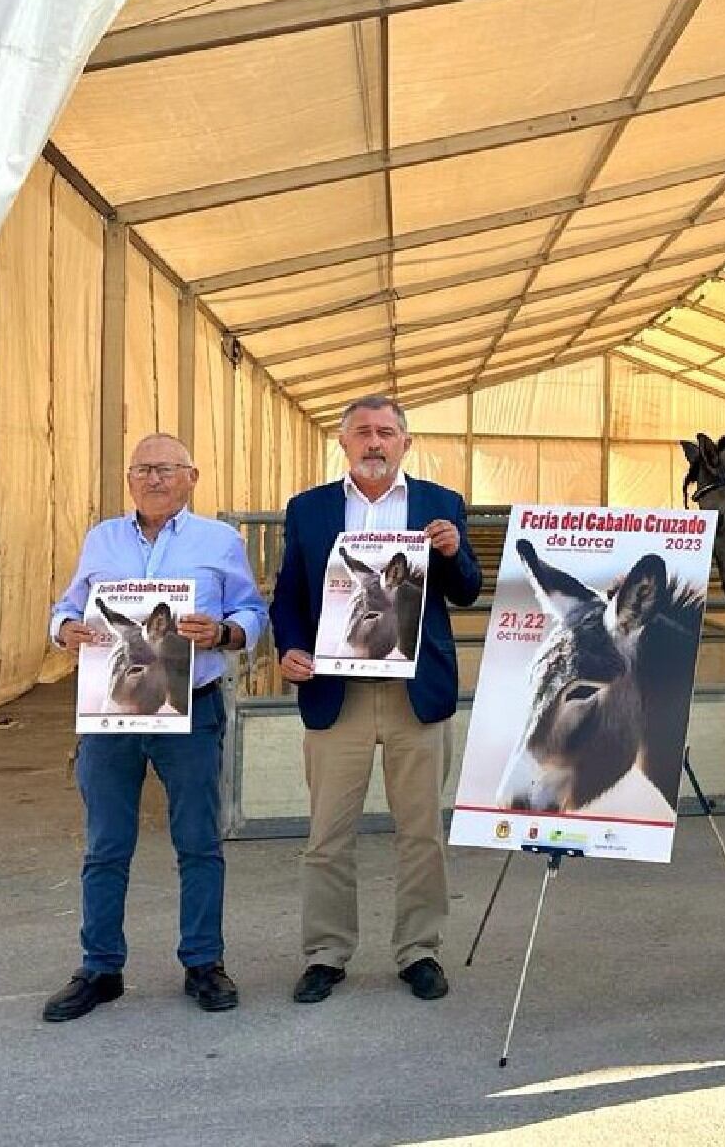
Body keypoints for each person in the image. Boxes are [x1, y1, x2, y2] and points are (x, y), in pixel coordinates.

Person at [44, 434, 267, 1021]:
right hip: (109, 715)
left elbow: (252, 612)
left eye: (166, 469)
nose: (154, 479)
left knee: (197, 840)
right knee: (106, 843)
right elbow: (67, 608)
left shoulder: (219, 541)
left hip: (190, 705)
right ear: (129, 478)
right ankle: (99, 966)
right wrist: (64, 631)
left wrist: (223, 633)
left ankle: (203, 962)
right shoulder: (103, 539)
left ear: (192, 476)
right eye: (143, 469)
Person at [270, 395, 481, 1005]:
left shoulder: (439, 504)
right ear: (342, 442)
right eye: (362, 432)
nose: (374, 442)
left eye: (386, 432)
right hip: (337, 695)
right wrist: (287, 647)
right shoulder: (309, 510)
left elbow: (467, 591)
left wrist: (451, 552)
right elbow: (289, 595)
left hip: (416, 694)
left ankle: (419, 950)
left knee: (421, 833)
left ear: (405, 443)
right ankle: (326, 954)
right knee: (327, 835)